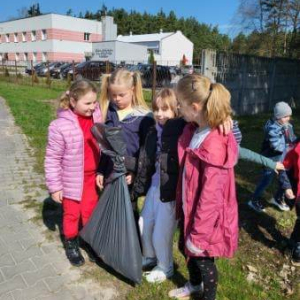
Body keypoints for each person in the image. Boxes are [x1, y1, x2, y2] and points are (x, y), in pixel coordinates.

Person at [167, 74, 239, 300]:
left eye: (180, 104)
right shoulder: (195, 129)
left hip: (206, 220)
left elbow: (211, 198)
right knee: (185, 248)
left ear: (195, 107)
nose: (178, 108)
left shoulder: (214, 144)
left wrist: (199, 234)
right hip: (192, 210)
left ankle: (209, 295)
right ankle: (194, 284)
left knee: (203, 259)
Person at [130, 88, 186, 283]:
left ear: (176, 110)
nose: (160, 113)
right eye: (156, 109)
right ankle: (150, 256)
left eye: (165, 109)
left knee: (161, 232)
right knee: (143, 224)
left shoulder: (182, 129)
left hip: (169, 192)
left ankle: (166, 266)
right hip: (154, 188)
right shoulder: (153, 130)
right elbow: (146, 160)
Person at [45, 79, 102, 267]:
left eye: (95, 102)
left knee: (90, 211)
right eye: (87, 103)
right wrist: (55, 187)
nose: (93, 107)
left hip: (91, 178)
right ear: (73, 102)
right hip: (71, 179)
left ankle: (89, 240)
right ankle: (71, 243)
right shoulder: (59, 126)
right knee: (72, 214)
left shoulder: (97, 116)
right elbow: (52, 159)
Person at [96, 68, 154, 224]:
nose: (117, 99)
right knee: (108, 211)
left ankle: (130, 246)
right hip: (109, 173)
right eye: (113, 95)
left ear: (133, 90)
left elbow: (145, 153)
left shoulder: (144, 118)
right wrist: (101, 170)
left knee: (128, 215)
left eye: (122, 95)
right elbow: (105, 145)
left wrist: (135, 172)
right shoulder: (108, 113)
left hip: (129, 177)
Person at [248, 102, 296, 213]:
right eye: (285, 116)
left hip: (283, 159)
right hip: (270, 160)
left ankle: (278, 198)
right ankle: (254, 200)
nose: (288, 118)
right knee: (266, 180)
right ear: (278, 117)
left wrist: (294, 144)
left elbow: (292, 139)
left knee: (286, 179)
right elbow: (277, 146)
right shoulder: (272, 129)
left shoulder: (287, 125)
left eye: (289, 116)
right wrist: (288, 145)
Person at [278, 143, 300, 266]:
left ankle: (293, 243)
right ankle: (295, 247)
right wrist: (286, 186)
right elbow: (283, 168)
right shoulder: (294, 148)